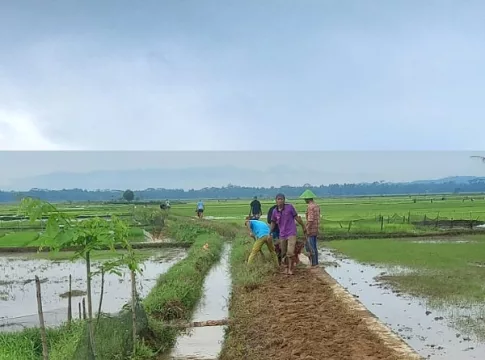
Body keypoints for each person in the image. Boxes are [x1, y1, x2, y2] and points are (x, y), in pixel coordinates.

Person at [269, 193, 306, 275]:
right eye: (278, 199)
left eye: (281, 199)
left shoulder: (290, 208)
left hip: (291, 232)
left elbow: (296, 217)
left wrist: (303, 226)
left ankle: (290, 269)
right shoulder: (275, 211)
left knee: (290, 252)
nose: (280, 200)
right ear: (276, 201)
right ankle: (286, 267)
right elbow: (273, 222)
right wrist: (270, 232)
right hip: (282, 234)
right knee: (283, 252)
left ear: (284, 200)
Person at [300, 189, 321, 267]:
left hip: (311, 229)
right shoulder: (316, 206)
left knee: (310, 247)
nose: (304, 200)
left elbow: (310, 220)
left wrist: (307, 229)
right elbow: (318, 217)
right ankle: (315, 263)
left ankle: (313, 264)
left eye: (305, 199)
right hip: (316, 228)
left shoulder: (310, 207)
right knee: (314, 246)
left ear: (307, 199)